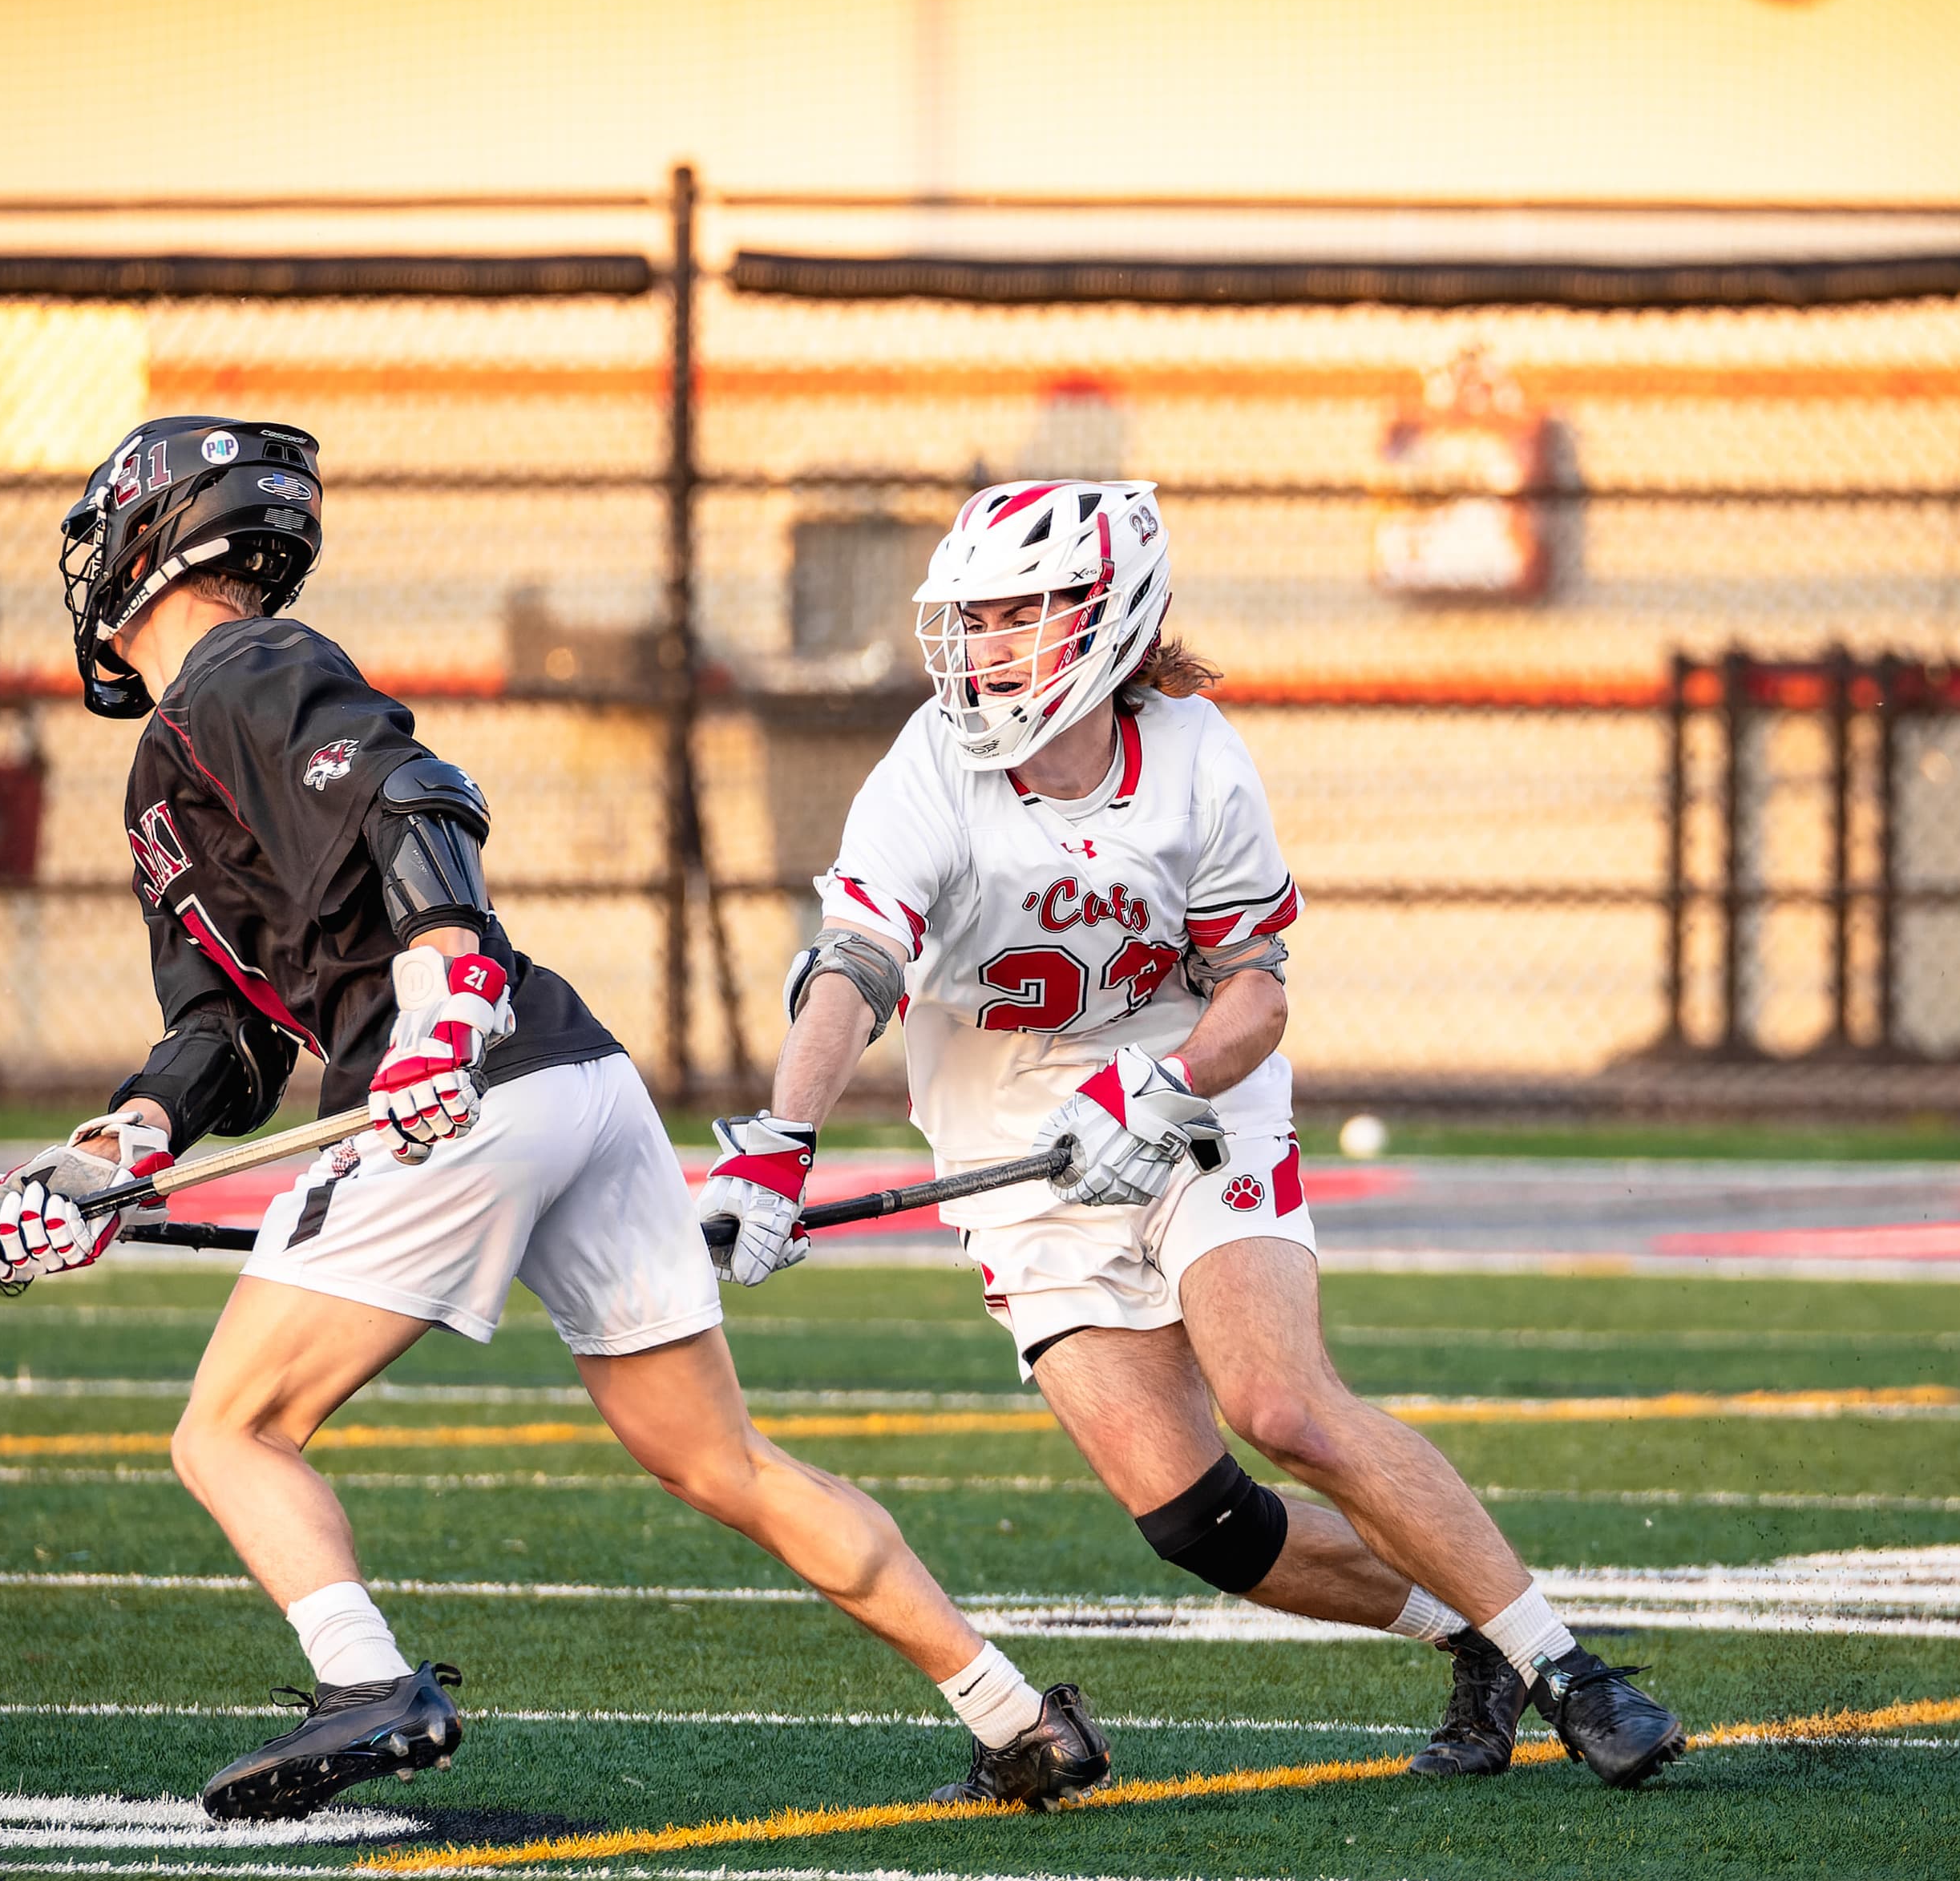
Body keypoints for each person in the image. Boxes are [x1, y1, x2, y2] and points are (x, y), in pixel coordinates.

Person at [0, 417, 1108, 1819]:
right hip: (569, 1076)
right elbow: (222, 1042)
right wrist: (105, 1157)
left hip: (456, 1078)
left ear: (155, 533)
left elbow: (413, 796)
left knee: (229, 1430)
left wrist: (444, 1000)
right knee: (719, 1460)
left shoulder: (242, 669)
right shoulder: (174, 760)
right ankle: (1012, 1716)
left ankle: (364, 1682)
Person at [702, 480, 1684, 1787]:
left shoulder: (1194, 755)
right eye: (972, 619)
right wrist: (779, 1141)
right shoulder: (928, 768)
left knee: (1282, 1405)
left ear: (1104, 619)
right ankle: (1473, 1635)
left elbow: (1254, 996)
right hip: (1012, 1146)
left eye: (1015, 615)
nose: (983, 646)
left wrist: (1158, 1090)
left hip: (1196, 1095)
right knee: (1194, 1521)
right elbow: (855, 967)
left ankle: (1571, 1671)